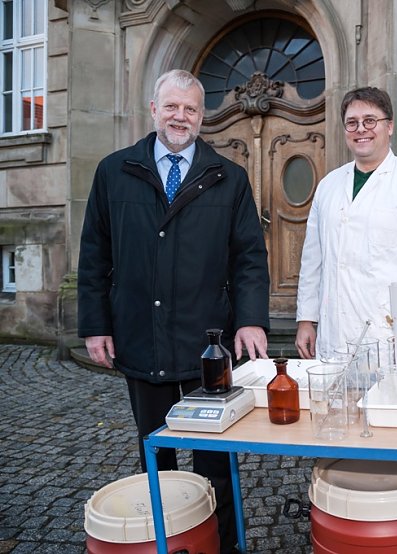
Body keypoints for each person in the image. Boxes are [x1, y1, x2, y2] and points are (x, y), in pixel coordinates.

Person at [77, 69, 270, 553]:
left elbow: (249, 256)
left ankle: (223, 546)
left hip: (209, 343)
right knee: (155, 458)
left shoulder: (229, 177)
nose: (180, 116)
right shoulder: (114, 170)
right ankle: (164, 543)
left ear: (202, 117)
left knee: (215, 461)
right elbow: (94, 254)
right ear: (153, 110)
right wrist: (96, 324)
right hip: (140, 335)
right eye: (171, 107)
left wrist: (249, 319)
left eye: (190, 109)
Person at [295, 86, 397, 360]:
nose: (361, 129)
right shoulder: (329, 185)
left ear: (389, 126)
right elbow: (313, 260)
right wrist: (306, 319)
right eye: (352, 123)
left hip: (387, 334)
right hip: (334, 330)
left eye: (370, 121)